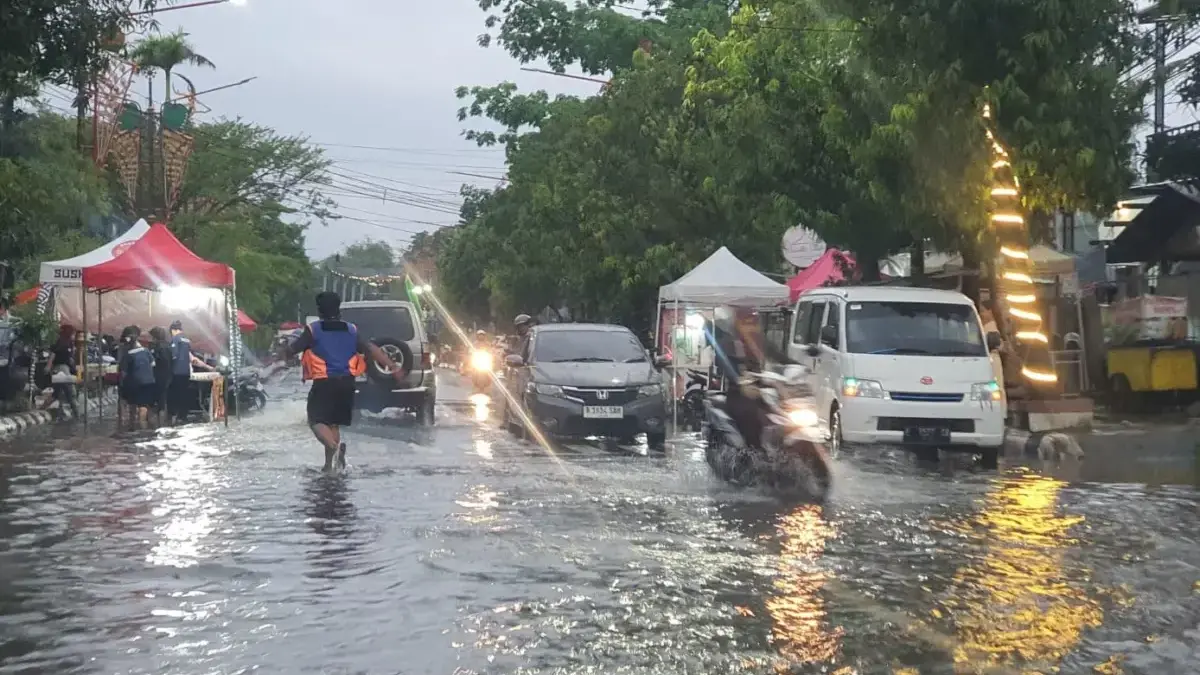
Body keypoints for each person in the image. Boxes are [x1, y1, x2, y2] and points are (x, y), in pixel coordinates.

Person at [283, 291, 406, 472]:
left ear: (320, 310)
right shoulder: (351, 329)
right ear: (338, 308)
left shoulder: (313, 329)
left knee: (316, 420)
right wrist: (393, 366)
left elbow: (293, 349)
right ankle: (330, 466)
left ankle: (334, 447)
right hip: (347, 383)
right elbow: (370, 348)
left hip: (325, 382)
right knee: (333, 423)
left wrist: (285, 351)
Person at [167, 320, 210, 424]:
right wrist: (208, 367)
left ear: (173, 330)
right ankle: (183, 416)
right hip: (186, 372)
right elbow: (190, 356)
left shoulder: (175, 339)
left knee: (175, 394)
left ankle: (175, 416)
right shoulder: (187, 340)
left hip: (176, 371)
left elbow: (173, 356)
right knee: (184, 393)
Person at [118, 326, 156, 428]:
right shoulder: (146, 350)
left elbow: (124, 372)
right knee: (144, 405)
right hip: (149, 382)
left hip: (135, 383)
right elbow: (153, 364)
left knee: (133, 404)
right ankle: (143, 425)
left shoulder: (128, 355)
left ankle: (133, 426)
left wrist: (123, 383)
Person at [43, 326, 78, 418]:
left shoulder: (68, 344)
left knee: (57, 393)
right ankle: (77, 415)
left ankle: (43, 408)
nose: (74, 336)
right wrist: (48, 366)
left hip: (59, 370)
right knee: (71, 393)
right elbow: (53, 355)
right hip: (62, 370)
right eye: (73, 334)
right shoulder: (62, 343)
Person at [149, 327, 173, 423]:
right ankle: (164, 422)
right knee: (164, 398)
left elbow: (153, 362)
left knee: (156, 401)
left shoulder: (156, 347)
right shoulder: (169, 346)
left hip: (157, 376)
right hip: (168, 375)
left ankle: (157, 423)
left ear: (155, 337)